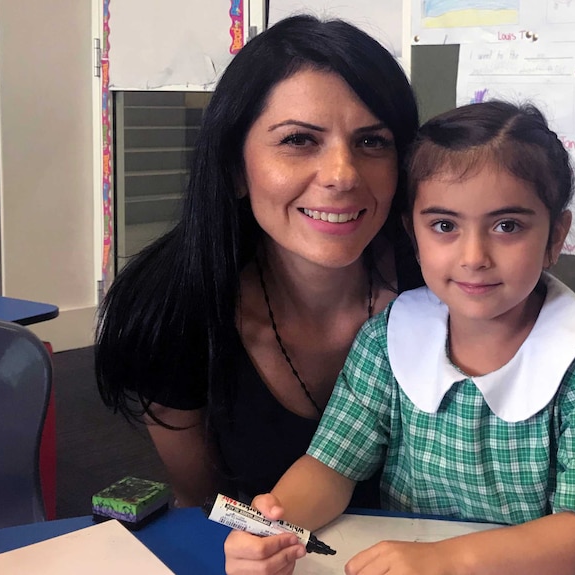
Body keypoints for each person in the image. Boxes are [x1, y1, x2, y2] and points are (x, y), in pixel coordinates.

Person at [224, 101, 575, 575]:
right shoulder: (390, 338)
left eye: (507, 226)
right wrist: (272, 525)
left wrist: (448, 562)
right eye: (444, 226)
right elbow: (331, 465)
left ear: (555, 237)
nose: (474, 257)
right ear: (414, 233)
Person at [94, 15, 422, 510]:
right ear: (235, 168)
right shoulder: (175, 308)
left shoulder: (449, 282)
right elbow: (204, 502)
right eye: (298, 140)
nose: (342, 175)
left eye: (372, 141)